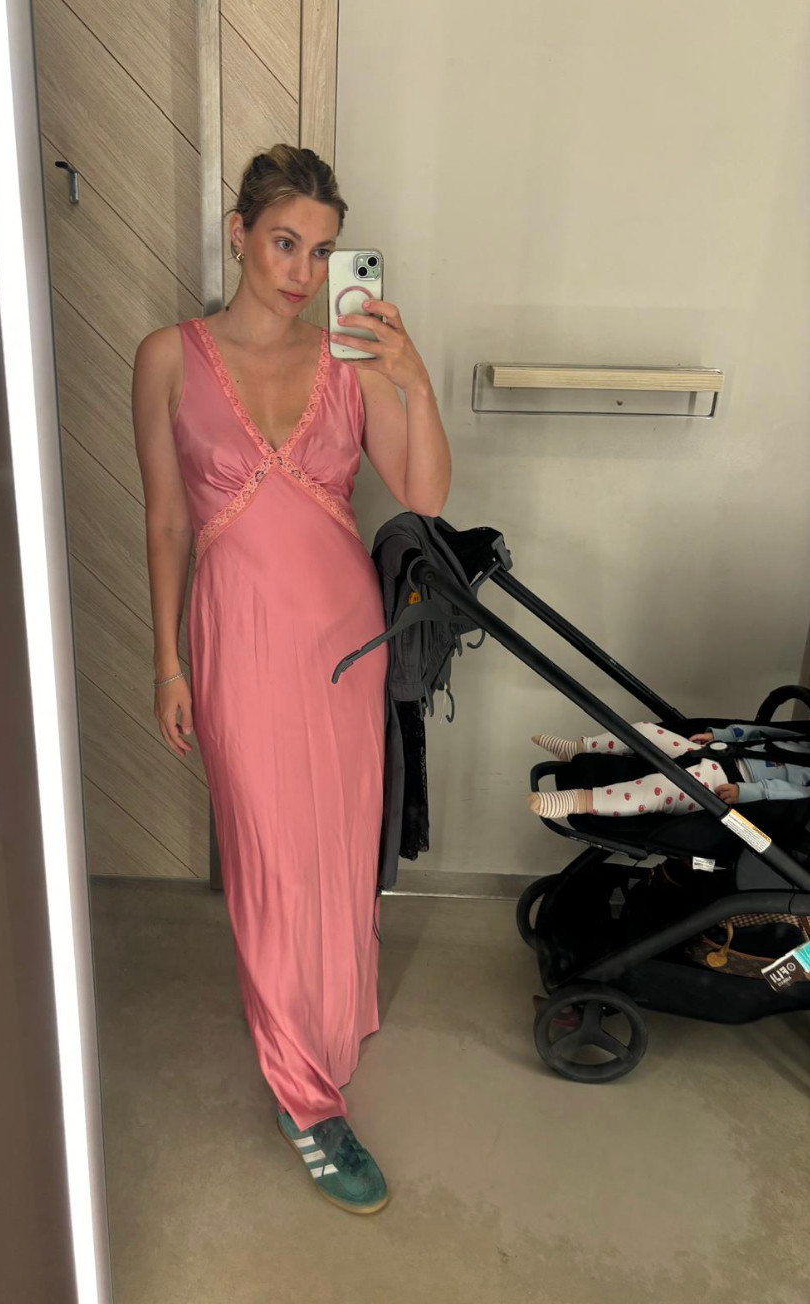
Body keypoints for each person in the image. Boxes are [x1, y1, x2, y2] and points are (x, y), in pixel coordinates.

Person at [131, 144, 451, 1215]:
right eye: (283, 243)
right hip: (236, 638)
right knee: (270, 858)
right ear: (237, 233)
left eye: (321, 251)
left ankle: (324, 1015)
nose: (303, 272)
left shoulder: (349, 357)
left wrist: (409, 377)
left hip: (344, 641)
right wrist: (168, 658)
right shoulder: (166, 358)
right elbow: (166, 520)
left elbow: (424, 494)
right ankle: (307, 1101)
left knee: (335, 845)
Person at [528, 722, 810, 819]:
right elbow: (765, 733)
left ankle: (576, 801)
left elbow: (795, 794)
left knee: (661, 788)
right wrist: (723, 735)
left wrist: (749, 792)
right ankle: (578, 748)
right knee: (645, 731)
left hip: (728, 786)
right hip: (723, 752)